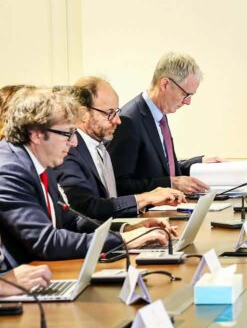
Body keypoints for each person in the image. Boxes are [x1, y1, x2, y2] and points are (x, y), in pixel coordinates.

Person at [0, 88, 167, 269]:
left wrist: (127, 229)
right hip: (22, 279)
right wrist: (122, 240)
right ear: (37, 134)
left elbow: (72, 221)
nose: (74, 142)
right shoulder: (10, 171)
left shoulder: (40, 160)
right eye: (68, 133)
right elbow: (46, 241)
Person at [54, 79, 185, 220]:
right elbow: (86, 208)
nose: (118, 120)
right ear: (84, 113)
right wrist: (145, 198)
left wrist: (134, 226)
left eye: (117, 112)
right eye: (109, 113)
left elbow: (109, 206)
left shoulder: (100, 147)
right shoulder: (69, 151)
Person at [108, 52, 219, 195]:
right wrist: (171, 183)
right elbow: (119, 185)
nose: (188, 102)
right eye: (185, 94)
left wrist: (199, 163)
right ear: (165, 84)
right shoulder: (129, 121)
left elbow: (162, 169)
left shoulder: (160, 114)